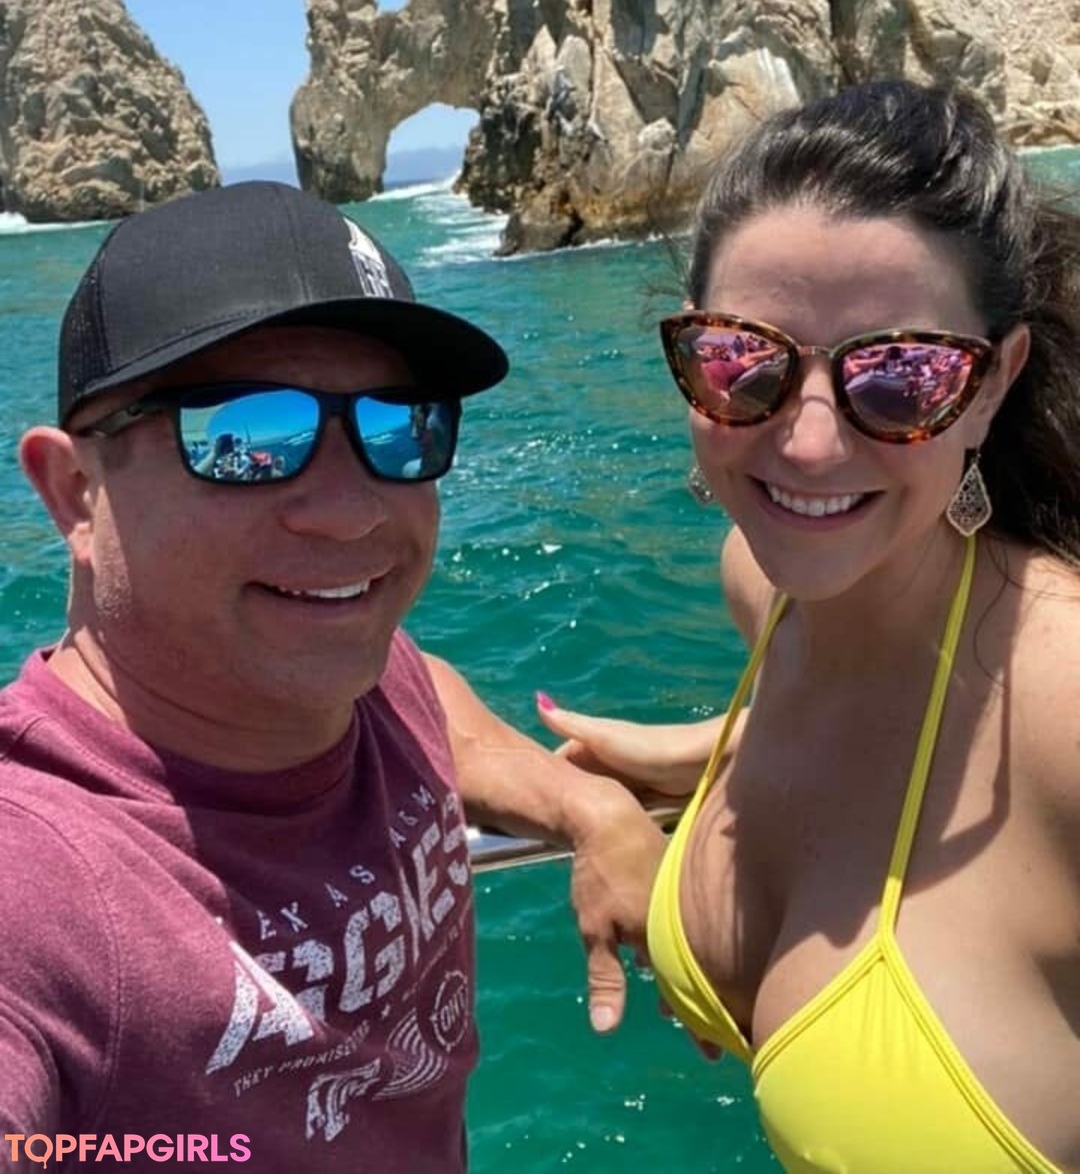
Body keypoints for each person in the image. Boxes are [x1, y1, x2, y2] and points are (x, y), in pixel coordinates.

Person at [1, 181, 665, 1170]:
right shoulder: (37, 884)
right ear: (76, 492)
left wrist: (590, 808)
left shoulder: (349, 669)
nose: (353, 512)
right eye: (247, 438)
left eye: (402, 428)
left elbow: (429, 697)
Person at [539, 81, 1080, 1173]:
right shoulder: (766, 582)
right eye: (744, 361)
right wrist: (610, 800)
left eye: (903, 375)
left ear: (991, 387)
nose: (812, 444)